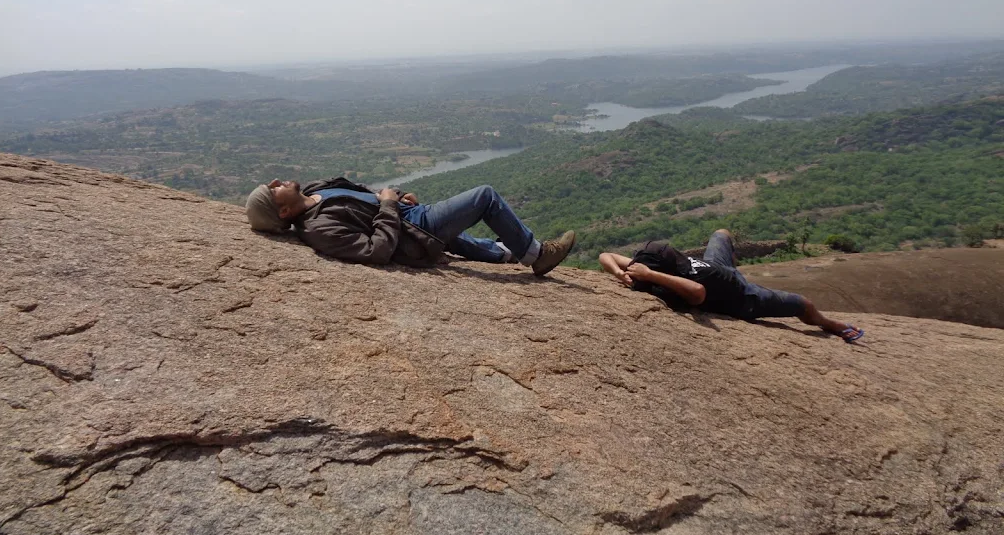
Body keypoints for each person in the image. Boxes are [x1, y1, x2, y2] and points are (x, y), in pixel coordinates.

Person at [246, 177, 575, 275]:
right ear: (285, 211)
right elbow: (377, 251)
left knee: (458, 236)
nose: (276, 181)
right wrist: (389, 204)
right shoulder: (319, 228)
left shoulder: (317, 191)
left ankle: (507, 254)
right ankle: (536, 255)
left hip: (407, 217)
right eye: (272, 190)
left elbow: (366, 200)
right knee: (484, 197)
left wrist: (395, 197)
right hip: (415, 230)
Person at [599, 229, 864, 342]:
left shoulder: (654, 270)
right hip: (743, 296)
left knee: (722, 233)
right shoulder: (667, 282)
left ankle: (738, 265)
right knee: (802, 304)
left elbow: (606, 256)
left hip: (719, 268)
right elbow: (698, 293)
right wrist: (639, 276)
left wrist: (620, 272)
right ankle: (830, 324)